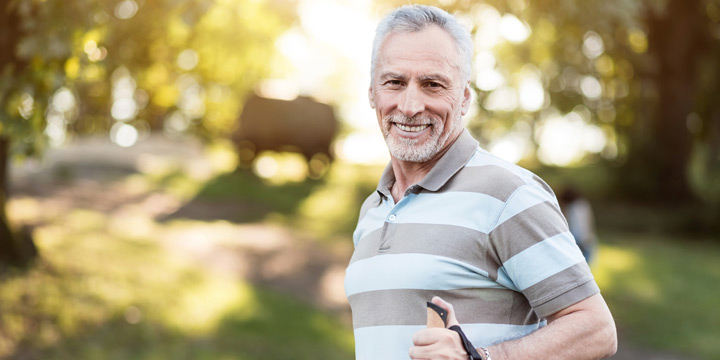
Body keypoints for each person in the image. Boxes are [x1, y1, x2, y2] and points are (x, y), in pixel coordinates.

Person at [343, 4, 617, 360]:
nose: (410, 106)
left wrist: (482, 357)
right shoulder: (373, 210)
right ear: (372, 94)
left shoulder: (509, 194)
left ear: (464, 99)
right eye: (394, 82)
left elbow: (596, 330)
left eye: (432, 84)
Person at [559, 186, 598, 264]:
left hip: (579, 237)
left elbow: (577, 225)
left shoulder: (573, 207)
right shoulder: (583, 204)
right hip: (586, 237)